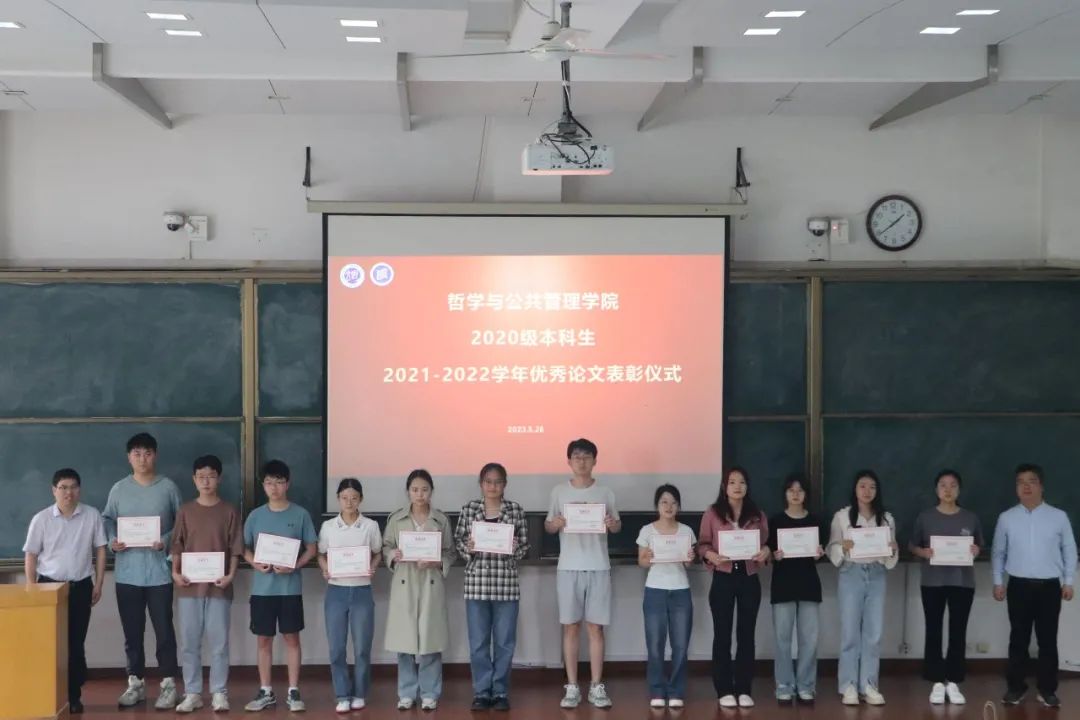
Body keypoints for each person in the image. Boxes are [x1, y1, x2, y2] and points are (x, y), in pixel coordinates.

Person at [102, 432, 183, 709]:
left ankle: (168, 684)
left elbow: (182, 524)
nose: (142, 459)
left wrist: (166, 540)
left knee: (164, 631)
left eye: (147, 453)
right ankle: (135, 683)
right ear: (129, 457)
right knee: (132, 633)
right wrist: (113, 540)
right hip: (127, 574)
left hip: (159, 573)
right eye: (136, 453)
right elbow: (107, 519)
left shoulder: (168, 487)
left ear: (155, 455)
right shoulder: (118, 489)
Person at [992, 463, 1077, 709]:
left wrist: (1068, 581)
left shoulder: (1059, 517)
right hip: (1018, 586)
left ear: (1041, 486)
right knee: (1018, 638)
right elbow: (998, 552)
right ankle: (1015, 688)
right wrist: (998, 582)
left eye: (1031, 481)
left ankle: (1047, 690)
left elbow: (1069, 550)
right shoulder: (1006, 518)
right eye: (1020, 482)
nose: (1026, 486)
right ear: (1016, 488)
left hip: (1050, 586)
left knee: (1047, 640)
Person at [544, 438, 621, 709]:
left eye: (587, 456)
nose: (581, 461)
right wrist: (555, 523)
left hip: (599, 565)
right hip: (568, 567)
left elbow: (617, 526)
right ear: (569, 461)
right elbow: (549, 526)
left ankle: (597, 686)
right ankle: (572, 686)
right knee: (571, 626)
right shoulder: (558, 492)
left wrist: (611, 523)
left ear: (595, 461)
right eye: (576, 456)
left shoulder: (605, 493)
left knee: (596, 628)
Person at [23, 468, 107, 714]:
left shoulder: (91, 515)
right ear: (54, 490)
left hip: (80, 586)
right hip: (48, 587)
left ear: (79, 490)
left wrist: (99, 583)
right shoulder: (41, 519)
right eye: (63, 488)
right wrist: (31, 587)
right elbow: (31, 554)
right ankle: (48, 695)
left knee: (75, 643)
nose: (68, 492)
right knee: (49, 643)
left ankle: (73, 696)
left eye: (73, 487)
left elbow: (101, 550)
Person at [242, 460, 318, 712]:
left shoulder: (300, 514)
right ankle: (266, 691)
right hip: (262, 590)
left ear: (288, 484)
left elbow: (312, 548)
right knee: (263, 640)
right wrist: (254, 563)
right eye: (268, 483)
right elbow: (243, 548)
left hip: (289, 589)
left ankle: (293, 691)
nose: (273, 488)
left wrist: (295, 565)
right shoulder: (255, 516)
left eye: (279, 482)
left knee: (291, 638)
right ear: (263, 485)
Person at [454, 463, 530, 712]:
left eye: (498, 482)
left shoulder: (515, 510)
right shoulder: (470, 509)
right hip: (476, 585)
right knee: (478, 643)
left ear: (504, 484)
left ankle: (500, 691)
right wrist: (469, 548)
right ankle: (481, 691)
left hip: (505, 585)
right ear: (481, 484)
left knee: (505, 643)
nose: (493, 486)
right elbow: (459, 541)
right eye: (488, 481)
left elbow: (525, 546)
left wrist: (514, 548)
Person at [170, 455, 243, 713]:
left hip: (219, 587)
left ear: (219, 479)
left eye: (211, 476)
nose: (206, 481)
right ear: (194, 479)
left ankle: (219, 692)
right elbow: (177, 545)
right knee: (189, 643)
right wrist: (175, 572)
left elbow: (235, 547)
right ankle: (192, 693)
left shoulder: (229, 510)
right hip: (188, 587)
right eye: (201, 476)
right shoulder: (185, 511)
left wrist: (231, 575)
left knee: (219, 643)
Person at [909, 470, 984, 706]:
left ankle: (954, 680)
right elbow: (912, 545)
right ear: (936, 490)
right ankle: (936, 681)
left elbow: (979, 546)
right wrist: (923, 552)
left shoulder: (970, 518)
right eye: (943, 485)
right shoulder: (925, 517)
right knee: (933, 630)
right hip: (932, 581)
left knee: (958, 631)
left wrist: (976, 551)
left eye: (953, 485)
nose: (948, 490)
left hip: (963, 582)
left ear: (959, 490)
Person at [383, 470, 456, 711]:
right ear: (408, 492)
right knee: (404, 643)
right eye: (415, 489)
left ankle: (429, 693)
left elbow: (450, 552)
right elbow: (386, 547)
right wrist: (393, 555)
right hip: (405, 584)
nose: (420, 494)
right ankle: (406, 693)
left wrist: (437, 562)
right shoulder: (396, 519)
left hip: (430, 584)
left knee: (430, 642)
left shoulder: (440, 520)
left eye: (424, 489)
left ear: (431, 491)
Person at [698, 466, 770, 709]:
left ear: (747, 486)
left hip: (748, 577)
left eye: (742, 482)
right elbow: (702, 545)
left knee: (746, 634)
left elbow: (766, 544)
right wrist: (711, 555)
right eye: (732, 482)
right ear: (724, 487)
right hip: (723, 577)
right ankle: (724, 688)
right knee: (722, 634)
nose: (737, 486)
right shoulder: (712, 513)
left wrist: (766, 551)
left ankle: (744, 688)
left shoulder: (757, 515)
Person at [827, 469, 898, 706]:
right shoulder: (842, 517)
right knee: (850, 632)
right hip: (851, 573)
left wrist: (893, 549)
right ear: (855, 489)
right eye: (862, 486)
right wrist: (842, 547)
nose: (867, 491)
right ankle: (848, 685)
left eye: (872, 487)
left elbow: (890, 559)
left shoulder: (886, 519)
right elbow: (832, 550)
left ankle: (869, 684)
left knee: (873, 633)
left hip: (877, 574)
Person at [318, 478, 382, 714]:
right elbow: (321, 554)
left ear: (361, 499)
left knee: (362, 647)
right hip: (336, 590)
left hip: (362, 589)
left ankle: (360, 693)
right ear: (338, 499)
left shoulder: (370, 526)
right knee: (336, 647)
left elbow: (378, 552)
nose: (349, 502)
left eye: (354, 498)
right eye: (344, 498)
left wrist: (372, 567)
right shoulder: (328, 527)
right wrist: (325, 568)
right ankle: (342, 694)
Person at [636, 484, 695, 709]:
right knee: (655, 644)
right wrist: (647, 557)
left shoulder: (687, 531)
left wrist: (690, 558)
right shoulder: (647, 531)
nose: (669, 506)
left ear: (678, 506)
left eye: (673, 503)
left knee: (680, 645)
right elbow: (642, 562)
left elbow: (688, 564)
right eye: (664, 502)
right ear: (657, 506)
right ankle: (657, 690)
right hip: (655, 590)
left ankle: (676, 690)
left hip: (680, 590)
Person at [767, 473, 824, 704]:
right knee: (782, 640)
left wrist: (820, 554)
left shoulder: (816, 521)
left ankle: (806, 685)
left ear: (806, 494)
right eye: (791, 490)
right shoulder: (775, 521)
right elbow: (768, 553)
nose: (795, 494)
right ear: (785, 493)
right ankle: (784, 685)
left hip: (809, 584)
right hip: (783, 585)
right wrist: (774, 555)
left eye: (800, 490)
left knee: (809, 639)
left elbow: (821, 551)